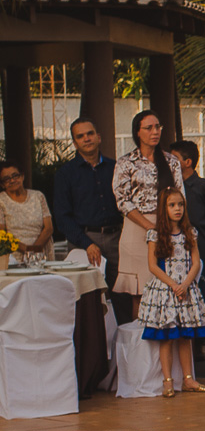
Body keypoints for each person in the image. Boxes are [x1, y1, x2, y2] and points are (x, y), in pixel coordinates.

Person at [139, 187, 205, 397]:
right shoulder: (155, 234)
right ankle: (167, 380)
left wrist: (186, 284)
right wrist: (173, 285)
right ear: (164, 208)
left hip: (185, 291)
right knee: (167, 337)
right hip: (165, 291)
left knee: (185, 337)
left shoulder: (190, 232)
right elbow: (153, 265)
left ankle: (188, 379)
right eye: (172, 205)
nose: (177, 209)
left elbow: (196, 262)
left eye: (180, 205)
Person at [53, 117, 126, 317]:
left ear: (99, 137)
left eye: (90, 134)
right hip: (82, 242)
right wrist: (86, 244)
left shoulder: (116, 168)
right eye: (80, 136)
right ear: (75, 143)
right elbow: (62, 217)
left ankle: (125, 346)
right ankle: (92, 348)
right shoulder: (65, 174)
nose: (86, 139)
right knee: (87, 299)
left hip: (116, 239)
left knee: (122, 295)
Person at [114, 109, 184, 314]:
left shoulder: (171, 161)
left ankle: (166, 339)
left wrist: (171, 227)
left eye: (157, 127)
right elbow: (122, 200)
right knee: (141, 291)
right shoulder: (126, 162)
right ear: (138, 132)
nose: (155, 132)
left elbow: (180, 196)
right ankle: (141, 342)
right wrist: (149, 226)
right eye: (149, 128)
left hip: (168, 224)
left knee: (168, 286)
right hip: (136, 227)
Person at [168, 141, 205, 305]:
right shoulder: (170, 189)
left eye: (175, 159)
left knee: (199, 295)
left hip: (200, 246)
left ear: (187, 162)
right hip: (174, 249)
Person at [0, 161, 53, 264]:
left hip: (40, 252)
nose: (12, 180)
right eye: (6, 179)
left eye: (15, 176)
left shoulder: (38, 196)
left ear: (22, 176)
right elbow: (1, 234)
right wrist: (26, 249)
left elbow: (48, 228)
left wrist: (35, 249)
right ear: (2, 184)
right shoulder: (1, 200)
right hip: (13, 256)